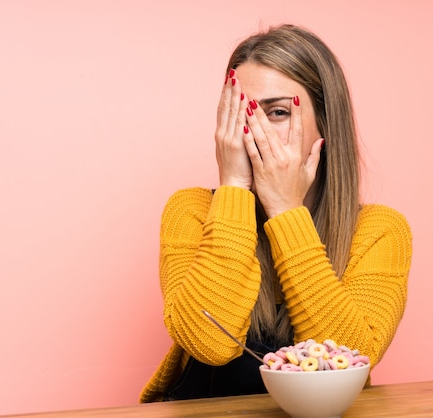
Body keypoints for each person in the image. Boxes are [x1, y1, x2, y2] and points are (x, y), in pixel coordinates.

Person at [140, 24, 412, 402]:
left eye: (279, 112)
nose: (255, 131)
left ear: (326, 125)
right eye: (242, 114)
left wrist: (286, 210)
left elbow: (349, 358)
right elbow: (209, 344)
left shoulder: (380, 231)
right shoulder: (190, 211)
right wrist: (234, 184)